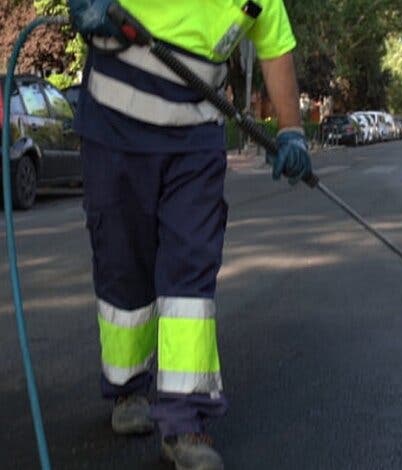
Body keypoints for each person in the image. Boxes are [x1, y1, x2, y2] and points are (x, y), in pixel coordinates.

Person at [67, 1, 311, 468]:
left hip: (194, 142)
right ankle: (126, 388)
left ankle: (185, 422)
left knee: (190, 273)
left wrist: (293, 131)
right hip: (114, 128)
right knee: (123, 266)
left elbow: (276, 50)